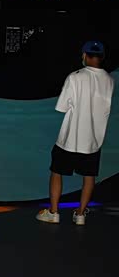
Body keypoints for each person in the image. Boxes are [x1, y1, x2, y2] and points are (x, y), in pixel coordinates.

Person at [37, 41, 114, 226]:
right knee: (89, 176)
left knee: (57, 172)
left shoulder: (75, 77)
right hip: (93, 140)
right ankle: (80, 214)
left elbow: (62, 107)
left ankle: (54, 212)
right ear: (102, 57)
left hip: (70, 138)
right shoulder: (109, 80)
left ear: (84, 55)